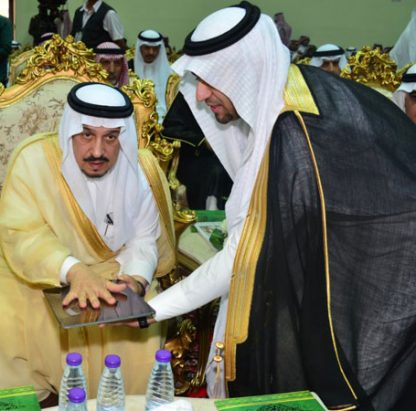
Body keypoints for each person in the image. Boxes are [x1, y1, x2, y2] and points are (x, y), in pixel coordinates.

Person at [142, 2, 416, 410]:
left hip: (351, 290)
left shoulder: (291, 132)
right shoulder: (288, 93)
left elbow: (243, 254)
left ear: (243, 73)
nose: (199, 94)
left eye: (210, 80)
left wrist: (155, 308)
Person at [0, 82, 176, 402]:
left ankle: (115, 405)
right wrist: (74, 271)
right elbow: (22, 232)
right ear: (70, 130)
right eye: (86, 135)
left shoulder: (140, 170)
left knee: (139, 326)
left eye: (110, 138)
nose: (97, 151)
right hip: (27, 267)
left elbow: (144, 238)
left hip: (110, 267)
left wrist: (136, 280)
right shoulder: (34, 159)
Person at [130, 30, 172, 122]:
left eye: (155, 48)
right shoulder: (129, 70)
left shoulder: (171, 73)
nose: (151, 52)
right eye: (147, 48)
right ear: (139, 47)